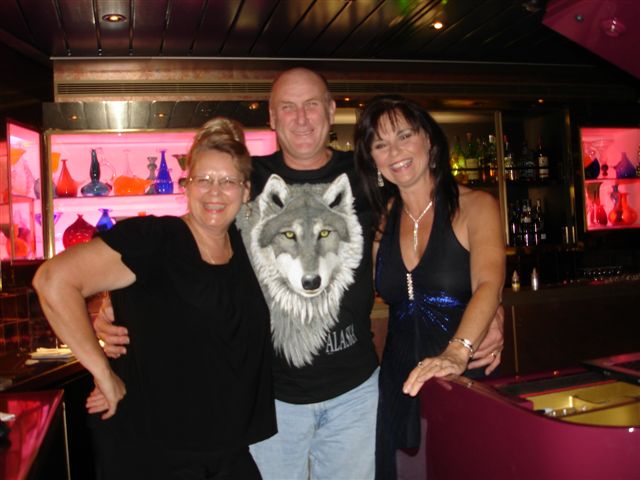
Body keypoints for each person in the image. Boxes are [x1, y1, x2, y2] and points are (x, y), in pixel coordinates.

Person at [96, 68, 504, 479]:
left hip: (356, 396)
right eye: (288, 107)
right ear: (272, 117)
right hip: (269, 398)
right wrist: (119, 300)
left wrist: (488, 311)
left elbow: (439, 256)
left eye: (312, 105)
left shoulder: (367, 176)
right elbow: (195, 237)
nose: (302, 118)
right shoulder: (247, 179)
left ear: (330, 110)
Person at [32, 118, 276, 480]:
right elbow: (53, 280)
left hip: (225, 448)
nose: (215, 192)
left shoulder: (243, 247)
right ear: (186, 185)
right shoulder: (154, 239)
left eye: (228, 181)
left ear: (245, 190)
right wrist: (102, 372)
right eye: (204, 179)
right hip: (154, 451)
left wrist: (112, 305)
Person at [354, 95, 506, 479]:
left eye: (404, 136)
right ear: (372, 159)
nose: (395, 152)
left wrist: (458, 351)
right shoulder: (381, 222)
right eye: (381, 144)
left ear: (429, 140)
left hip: (463, 377)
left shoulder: (476, 206)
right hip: (399, 385)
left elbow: (489, 282)